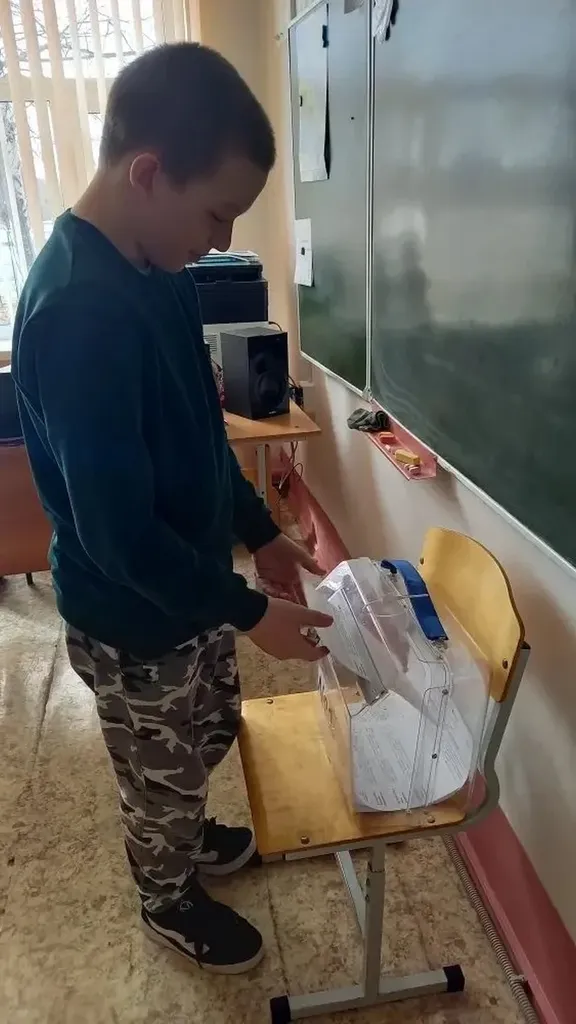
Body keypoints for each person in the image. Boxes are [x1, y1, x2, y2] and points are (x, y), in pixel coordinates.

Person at [11, 42, 332, 976]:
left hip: (189, 588)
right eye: (215, 213)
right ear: (148, 173)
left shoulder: (160, 269)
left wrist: (260, 534)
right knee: (159, 774)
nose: (219, 239)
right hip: (132, 611)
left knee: (201, 735)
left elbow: (199, 430)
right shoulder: (79, 312)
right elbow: (118, 539)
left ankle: (184, 830)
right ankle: (167, 894)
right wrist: (250, 611)